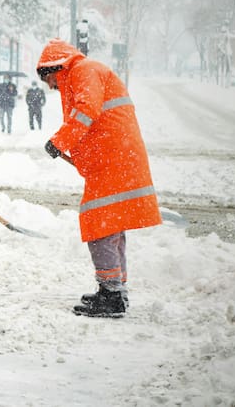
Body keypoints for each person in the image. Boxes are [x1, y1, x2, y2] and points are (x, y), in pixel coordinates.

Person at [36, 38, 161, 318]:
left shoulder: (83, 71)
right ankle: (116, 290)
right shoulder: (85, 72)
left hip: (113, 160)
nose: (53, 88)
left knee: (100, 223)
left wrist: (60, 141)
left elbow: (86, 111)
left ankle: (111, 295)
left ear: (55, 68)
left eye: (51, 81)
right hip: (115, 158)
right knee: (110, 222)